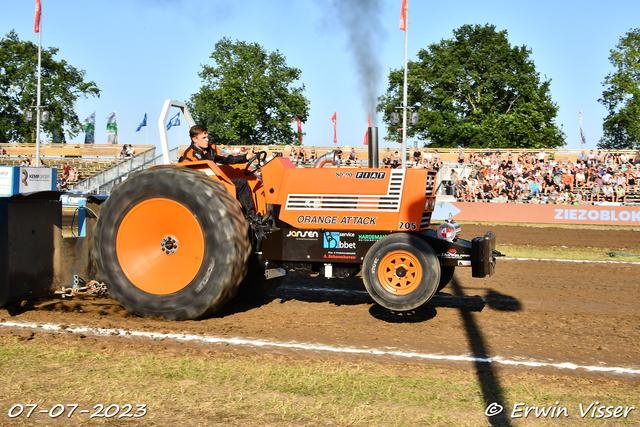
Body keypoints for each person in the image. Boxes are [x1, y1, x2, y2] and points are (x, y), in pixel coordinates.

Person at [179, 125, 257, 219]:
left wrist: (246, 157)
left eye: (207, 137)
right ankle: (249, 217)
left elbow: (228, 157)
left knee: (242, 182)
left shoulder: (212, 149)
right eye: (204, 138)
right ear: (194, 139)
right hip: (203, 188)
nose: (207, 139)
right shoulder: (187, 156)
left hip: (215, 183)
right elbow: (184, 178)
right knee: (241, 183)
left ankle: (251, 216)